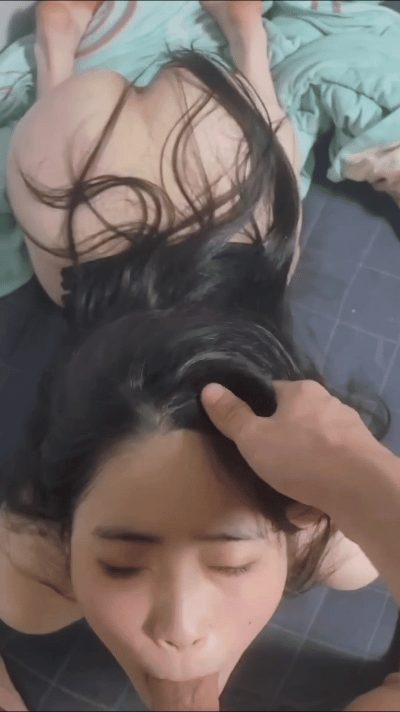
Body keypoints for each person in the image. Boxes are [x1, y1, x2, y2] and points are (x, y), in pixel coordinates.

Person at [0, 1, 394, 711]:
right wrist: (353, 471)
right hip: (216, 168)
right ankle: (243, 35)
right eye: (120, 565)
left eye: (121, 564)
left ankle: (124, 42)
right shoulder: (348, 541)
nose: (180, 630)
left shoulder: (30, 577)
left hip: (98, 161)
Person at [201, 379, 400, 711]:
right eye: (122, 567)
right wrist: (361, 477)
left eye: (230, 564)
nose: (181, 628)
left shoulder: (341, 554)